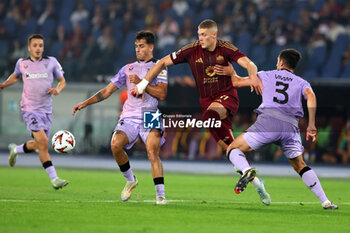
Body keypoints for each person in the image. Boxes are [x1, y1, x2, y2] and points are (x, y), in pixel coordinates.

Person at [131, 19, 270, 205]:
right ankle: (257, 184)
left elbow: (249, 64)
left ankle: (249, 167)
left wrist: (253, 77)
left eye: (204, 35)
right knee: (230, 149)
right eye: (199, 35)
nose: (201, 39)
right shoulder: (191, 50)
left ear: (214, 35)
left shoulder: (225, 48)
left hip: (227, 99)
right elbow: (162, 63)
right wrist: (142, 84)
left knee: (210, 116)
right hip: (208, 104)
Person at [222, 48, 338, 210]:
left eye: (278, 60)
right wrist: (311, 124)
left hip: (268, 123)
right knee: (300, 165)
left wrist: (231, 71)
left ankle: (247, 170)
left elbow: (236, 82)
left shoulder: (266, 75)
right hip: (290, 127)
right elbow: (311, 96)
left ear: (281, 62)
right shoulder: (301, 82)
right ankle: (326, 202)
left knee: (233, 149)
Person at [72, 31, 168, 204]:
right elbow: (107, 91)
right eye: (136, 46)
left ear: (151, 47)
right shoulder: (127, 68)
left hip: (150, 114)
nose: (138, 50)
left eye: (142, 46)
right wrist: (84, 103)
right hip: (129, 115)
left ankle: (160, 196)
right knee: (115, 145)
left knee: (152, 151)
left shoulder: (160, 66)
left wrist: (141, 83)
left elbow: (162, 94)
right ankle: (131, 180)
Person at [0, 34, 68, 189]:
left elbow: (62, 81)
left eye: (41, 46)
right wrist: (4, 85)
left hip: (46, 112)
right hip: (29, 110)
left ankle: (15, 149)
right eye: (35, 45)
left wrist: (57, 90)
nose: (38, 48)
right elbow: (16, 77)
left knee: (39, 145)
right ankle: (55, 179)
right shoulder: (22, 63)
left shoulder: (51, 62)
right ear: (29, 47)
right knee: (43, 143)